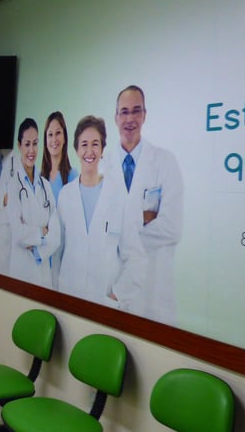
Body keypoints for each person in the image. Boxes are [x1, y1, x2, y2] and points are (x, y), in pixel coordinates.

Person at [107, 85, 184, 324]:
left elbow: (171, 227)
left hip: (153, 293)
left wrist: (120, 231)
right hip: (110, 287)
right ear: (116, 117)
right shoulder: (102, 165)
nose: (130, 118)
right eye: (124, 112)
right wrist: (143, 219)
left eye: (136, 111)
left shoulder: (165, 162)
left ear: (144, 115)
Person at [57, 115, 145, 312]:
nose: (89, 151)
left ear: (103, 149)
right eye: (84, 144)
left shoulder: (118, 196)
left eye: (95, 144)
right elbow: (57, 251)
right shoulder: (65, 195)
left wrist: (117, 295)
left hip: (103, 303)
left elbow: (136, 257)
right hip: (68, 296)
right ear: (76, 150)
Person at [7, 118, 60, 288]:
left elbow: (56, 234)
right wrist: (42, 232)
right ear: (19, 145)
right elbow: (17, 232)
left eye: (35, 143)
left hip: (42, 269)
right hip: (21, 270)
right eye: (27, 144)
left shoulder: (45, 186)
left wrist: (37, 248)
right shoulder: (13, 185)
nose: (31, 150)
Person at [41, 111, 79, 288]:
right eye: (50, 134)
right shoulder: (39, 178)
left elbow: (74, 224)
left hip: (64, 256)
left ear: (64, 138)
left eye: (58, 133)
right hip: (41, 256)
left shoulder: (73, 177)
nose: (54, 139)